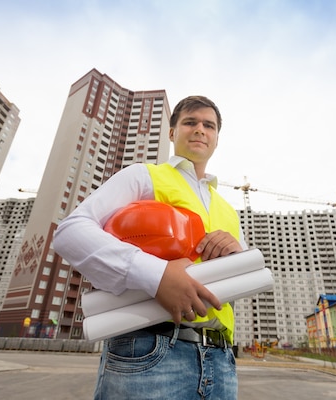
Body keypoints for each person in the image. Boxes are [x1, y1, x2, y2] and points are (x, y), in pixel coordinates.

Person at [53, 95, 247, 399]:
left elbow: (241, 280)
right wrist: (158, 276)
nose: (200, 130)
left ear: (216, 138)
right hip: (150, 349)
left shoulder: (229, 211)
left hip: (221, 358)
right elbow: (71, 231)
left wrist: (238, 254)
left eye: (208, 126)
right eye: (190, 122)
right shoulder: (145, 176)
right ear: (172, 133)